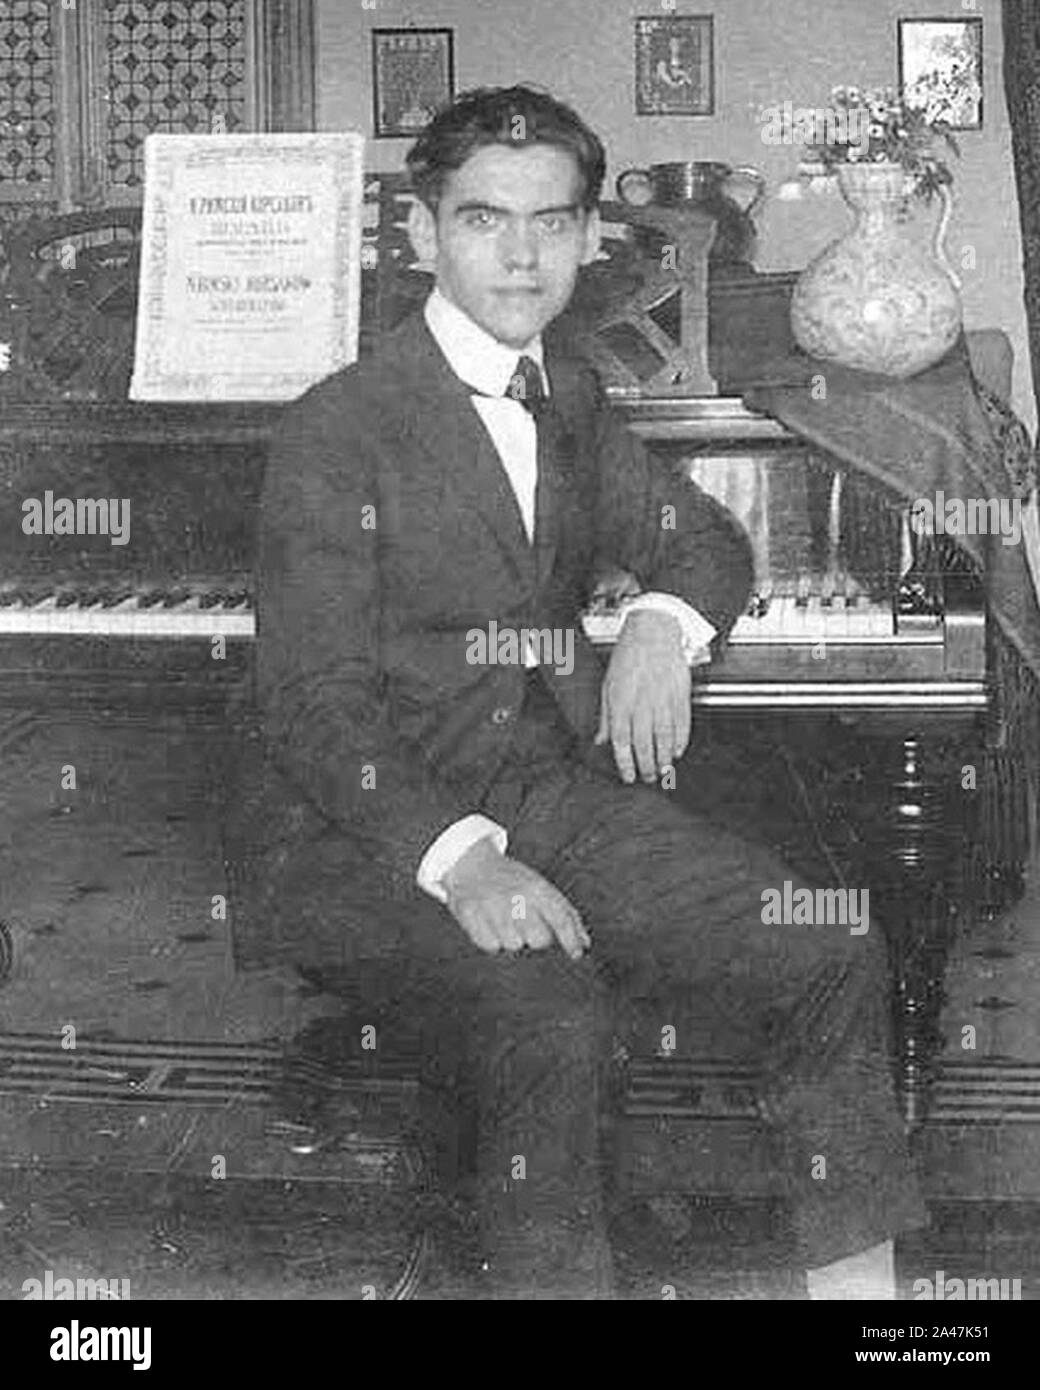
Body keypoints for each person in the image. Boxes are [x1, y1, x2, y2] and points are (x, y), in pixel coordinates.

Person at [224, 84, 926, 1299]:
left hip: (536, 787)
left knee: (831, 944)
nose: (520, 252)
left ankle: (868, 1316)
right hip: (361, 835)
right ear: (420, 233)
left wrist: (661, 621)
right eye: (485, 219)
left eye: (551, 222)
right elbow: (311, 705)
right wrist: (462, 860)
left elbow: (702, 537)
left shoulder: (568, 396)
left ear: (587, 239)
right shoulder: (337, 429)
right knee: (546, 1013)